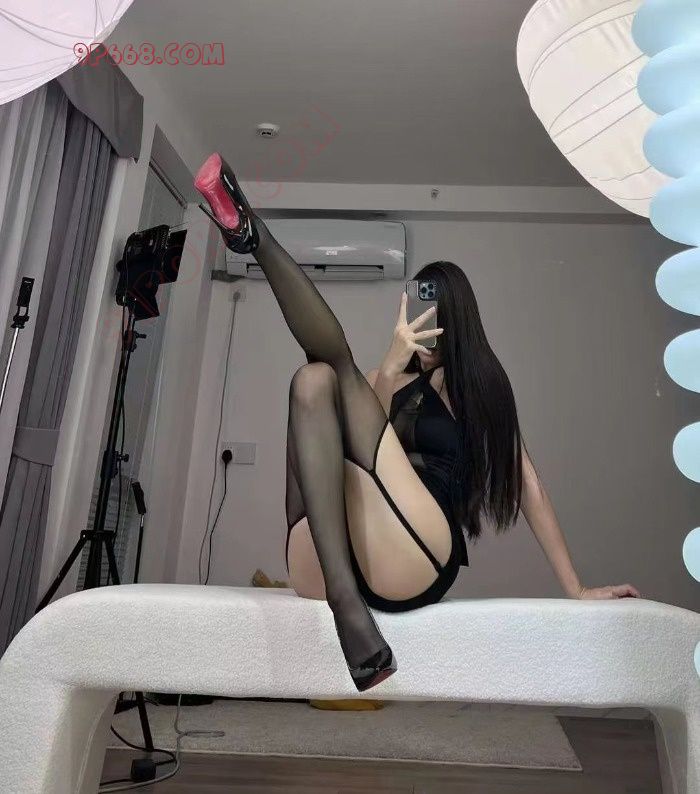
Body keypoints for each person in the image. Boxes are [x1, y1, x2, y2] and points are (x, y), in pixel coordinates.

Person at [194, 153, 641, 692]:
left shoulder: (483, 388)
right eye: (414, 309)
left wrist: (576, 589)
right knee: (312, 380)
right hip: (330, 560)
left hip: (413, 554)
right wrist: (389, 367)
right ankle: (344, 600)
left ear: (454, 320)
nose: (421, 322)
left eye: (432, 314)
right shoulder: (386, 378)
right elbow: (361, 444)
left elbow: (529, 486)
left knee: (329, 370)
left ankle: (253, 236)